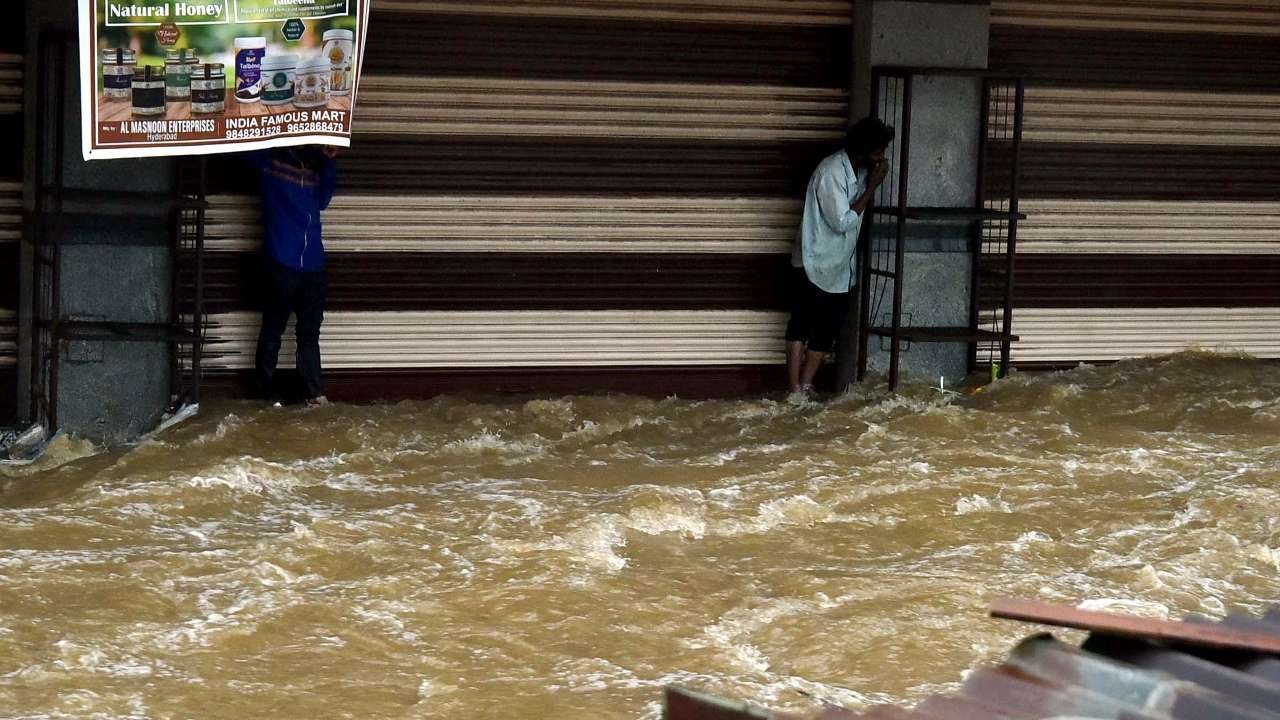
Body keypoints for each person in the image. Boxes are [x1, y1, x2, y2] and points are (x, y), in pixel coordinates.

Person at [786, 117, 895, 395]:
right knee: (801, 323)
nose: (881, 158)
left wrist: (868, 182)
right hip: (813, 258)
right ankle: (793, 386)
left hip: (839, 265)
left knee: (828, 326)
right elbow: (843, 221)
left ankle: (807, 383)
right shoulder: (831, 171)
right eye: (878, 152)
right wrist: (872, 188)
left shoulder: (858, 171)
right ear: (863, 151)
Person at [247, 145, 338, 406]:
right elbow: (241, 146)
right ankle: (265, 390)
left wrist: (328, 160)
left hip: (312, 264)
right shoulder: (270, 163)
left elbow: (323, 200)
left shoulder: (317, 167)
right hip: (281, 259)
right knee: (273, 328)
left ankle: (312, 392)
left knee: (308, 333)